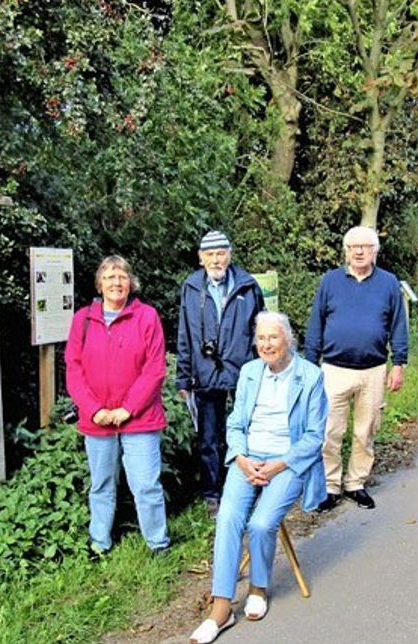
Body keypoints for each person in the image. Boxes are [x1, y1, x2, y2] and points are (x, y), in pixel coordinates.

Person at [189, 312, 327, 644]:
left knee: (263, 523)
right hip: (248, 459)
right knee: (228, 517)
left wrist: (280, 464)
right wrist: (240, 457)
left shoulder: (310, 376)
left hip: (288, 462)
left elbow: (314, 436)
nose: (266, 344)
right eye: (261, 338)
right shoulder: (250, 373)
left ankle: (258, 588)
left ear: (288, 340)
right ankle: (221, 609)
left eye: (273, 338)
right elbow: (235, 424)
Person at [65, 256, 171, 556]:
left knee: (146, 487)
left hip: (140, 419)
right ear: (99, 283)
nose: (116, 282)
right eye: (110, 277)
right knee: (101, 485)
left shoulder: (146, 317)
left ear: (130, 282)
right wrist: (94, 409)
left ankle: (158, 543)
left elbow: (155, 368)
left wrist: (128, 408)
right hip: (96, 421)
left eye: (122, 277)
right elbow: (73, 368)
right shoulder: (82, 320)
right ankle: (100, 543)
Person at [305, 226, 408, 512]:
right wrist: (310, 364)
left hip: (373, 369)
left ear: (375, 250)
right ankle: (330, 485)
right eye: (353, 246)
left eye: (365, 246)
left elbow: (398, 325)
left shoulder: (388, 283)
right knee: (329, 431)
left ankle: (356, 483)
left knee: (366, 430)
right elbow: (317, 323)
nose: (359, 251)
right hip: (333, 369)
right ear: (346, 251)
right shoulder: (330, 281)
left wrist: (398, 363)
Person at [177, 231, 265, 517]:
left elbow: (260, 330)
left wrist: (264, 369)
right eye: (210, 254)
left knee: (245, 432)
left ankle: (247, 486)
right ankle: (212, 494)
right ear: (201, 258)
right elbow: (185, 335)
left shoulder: (248, 286)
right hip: (205, 372)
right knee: (209, 438)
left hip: (243, 371)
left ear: (230, 254)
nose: (216, 259)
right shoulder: (191, 287)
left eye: (221, 253)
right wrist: (183, 377)